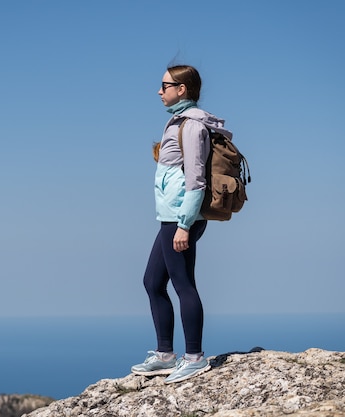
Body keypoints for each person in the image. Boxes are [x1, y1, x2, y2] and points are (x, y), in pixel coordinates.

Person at [131, 65, 232, 384]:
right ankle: (165, 355)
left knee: (183, 283)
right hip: (170, 216)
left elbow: (197, 180)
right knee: (152, 281)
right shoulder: (177, 121)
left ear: (182, 89)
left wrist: (185, 225)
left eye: (165, 85)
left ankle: (194, 358)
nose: (159, 91)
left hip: (181, 217)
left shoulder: (192, 127)